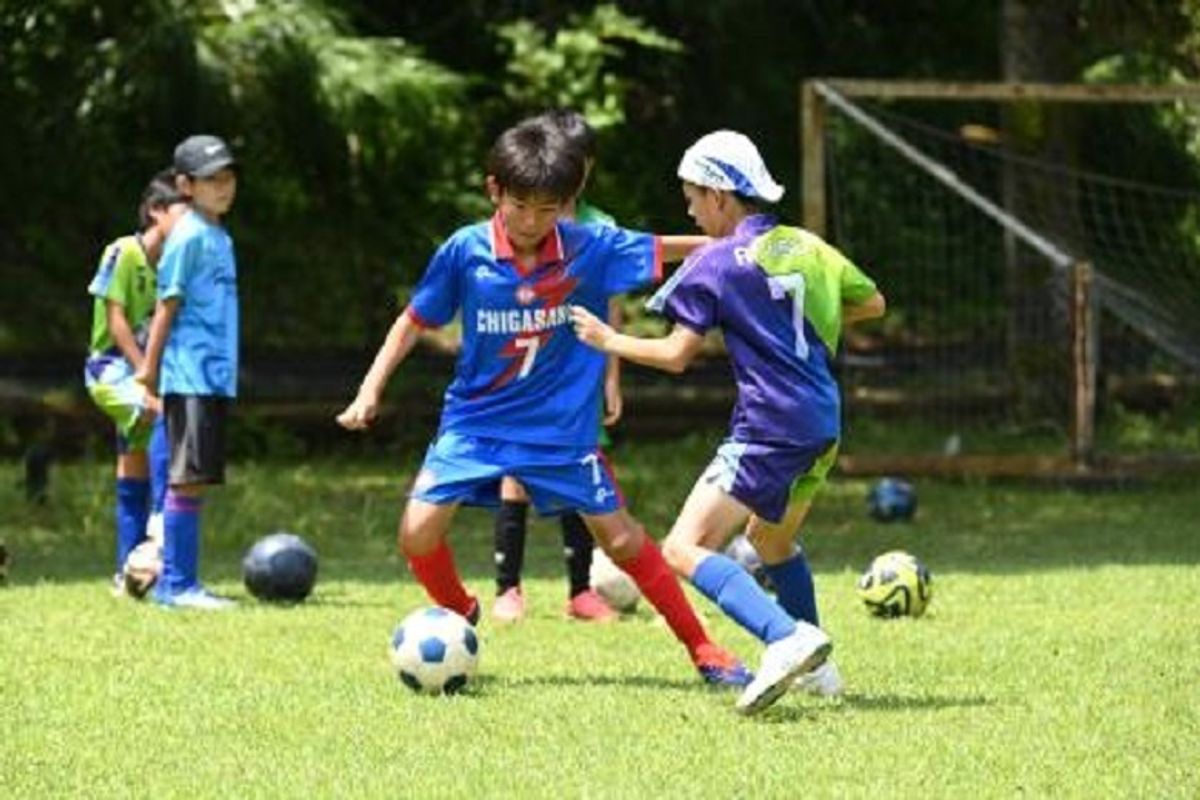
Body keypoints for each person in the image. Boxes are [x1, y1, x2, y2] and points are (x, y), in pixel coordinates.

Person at [337, 117, 752, 687]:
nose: (532, 223)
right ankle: (462, 612)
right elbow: (413, 321)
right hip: (476, 421)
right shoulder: (465, 251)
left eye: (547, 209)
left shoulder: (590, 246)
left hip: (559, 429)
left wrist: (744, 244)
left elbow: (669, 248)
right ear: (494, 192)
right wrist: (369, 390)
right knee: (416, 533)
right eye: (520, 207)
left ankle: (704, 649)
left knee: (624, 538)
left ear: (568, 202)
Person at [571, 130, 887, 714]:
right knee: (771, 539)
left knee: (682, 548)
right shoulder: (809, 246)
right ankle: (820, 672)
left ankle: (786, 638)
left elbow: (675, 355)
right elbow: (873, 304)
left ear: (720, 194)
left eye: (693, 196)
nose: (690, 209)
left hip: (767, 425)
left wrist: (608, 338)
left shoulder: (713, 262)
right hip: (822, 419)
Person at [490, 109, 624, 624]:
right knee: (516, 474)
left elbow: (609, 303)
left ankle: (580, 592)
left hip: (578, 374)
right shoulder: (515, 220)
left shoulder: (600, 229)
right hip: (524, 365)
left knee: (575, 468)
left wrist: (612, 374)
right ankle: (508, 588)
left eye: (582, 165)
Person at [136, 134, 240, 610]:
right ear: (185, 185)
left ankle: (180, 582)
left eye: (228, 177)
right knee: (185, 477)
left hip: (214, 377)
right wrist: (148, 371)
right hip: (189, 374)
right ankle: (176, 585)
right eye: (211, 180)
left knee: (194, 476)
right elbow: (166, 305)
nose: (224, 187)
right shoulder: (189, 235)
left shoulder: (218, 234)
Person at [84, 170, 187, 595]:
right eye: (182, 210)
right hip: (110, 368)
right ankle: (161, 527)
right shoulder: (123, 252)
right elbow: (116, 318)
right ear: (155, 212)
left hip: (149, 370)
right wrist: (144, 372)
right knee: (162, 416)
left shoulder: (177, 261)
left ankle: (128, 569)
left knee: (133, 460)